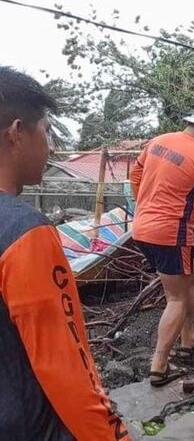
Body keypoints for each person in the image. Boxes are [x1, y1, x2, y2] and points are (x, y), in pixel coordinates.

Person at [0, 66, 127, 439]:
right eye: (46, 131)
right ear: (17, 133)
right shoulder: (25, 234)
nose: (52, 147)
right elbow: (66, 371)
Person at [130, 103, 194, 386]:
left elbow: (135, 177)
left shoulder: (158, 142)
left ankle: (188, 341)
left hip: (142, 228)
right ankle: (159, 366)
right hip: (171, 234)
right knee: (176, 297)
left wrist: (147, 205)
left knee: (192, 276)